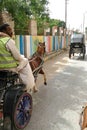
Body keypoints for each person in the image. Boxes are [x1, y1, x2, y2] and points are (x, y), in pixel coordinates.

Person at [0, 23, 38, 92]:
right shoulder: (8, 41)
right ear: (3, 31)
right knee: (25, 60)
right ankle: (28, 85)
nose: (12, 32)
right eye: (9, 30)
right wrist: (21, 59)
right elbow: (17, 57)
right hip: (9, 69)